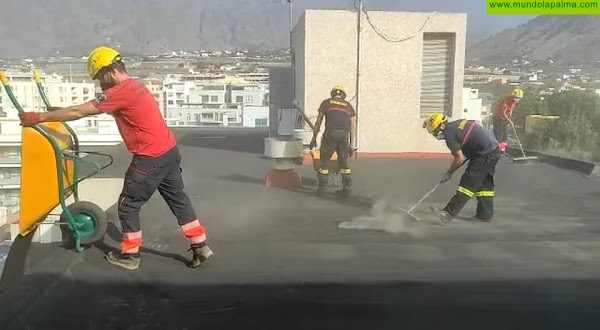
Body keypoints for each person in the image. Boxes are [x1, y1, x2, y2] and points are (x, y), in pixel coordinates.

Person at [18, 46, 213, 270]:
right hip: (168, 151)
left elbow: (79, 112)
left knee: (128, 206)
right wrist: (58, 111)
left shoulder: (119, 92)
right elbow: (85, 107)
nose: (99, 81)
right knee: (179, 201)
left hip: (149, 158)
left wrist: (40, 117)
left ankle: (130, 256)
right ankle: (200, 246)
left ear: (111, 71)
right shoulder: (136, 86)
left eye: (100, 76)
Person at [422, 113, 501, 225]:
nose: (435, 135)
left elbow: (459, 158)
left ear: (441, 126)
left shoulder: (449, 134)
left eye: (434, 132)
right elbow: (469, 143)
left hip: (485, 153)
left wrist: (449, 173)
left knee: (467, 184)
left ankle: (448, 213)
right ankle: (485, 215)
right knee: (484, 185)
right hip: (493, 150)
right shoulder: (456, 124)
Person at [309, 85, 356, 197]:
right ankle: (346, 190)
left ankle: (322, 189)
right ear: (343, 96)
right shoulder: (349, 106)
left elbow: (318, 122)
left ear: (333, 94)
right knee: (344, 163)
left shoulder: (326, 103)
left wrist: (314, 138)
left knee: (324, 162)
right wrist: (351, 144)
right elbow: (353, 126)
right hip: (343, 136)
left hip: (330, 134)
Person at [491, 87, 523, 155]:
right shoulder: (506, 101)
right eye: (516, 98)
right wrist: (509, 120)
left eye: (519, 98)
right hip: (498, 118)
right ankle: (496, 150)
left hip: (504, 119)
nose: (517, 100)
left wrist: (510, 120)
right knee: (500, 135)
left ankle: (502, 151)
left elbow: (510, 111)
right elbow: (503, 113)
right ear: (513, 96)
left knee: (505, 136)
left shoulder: (514, 103)